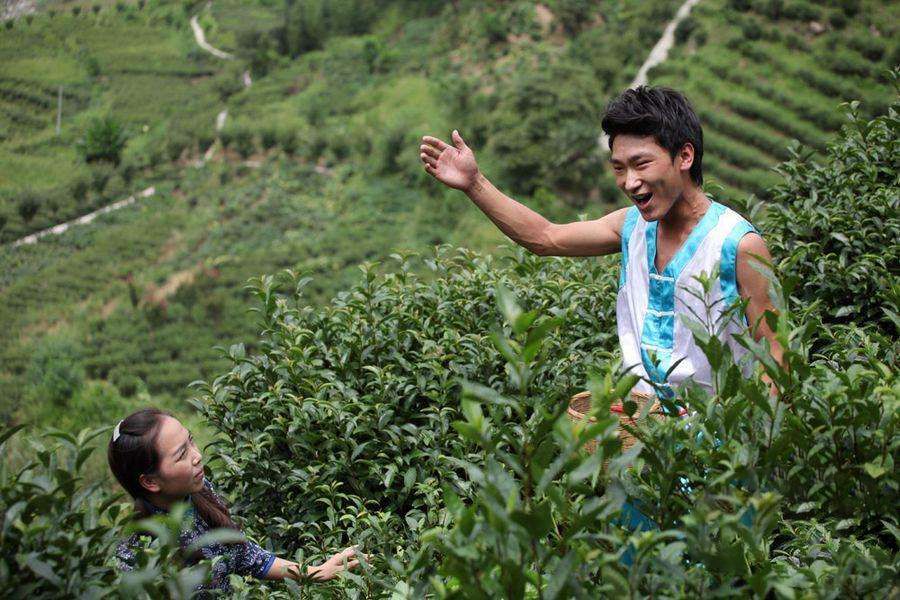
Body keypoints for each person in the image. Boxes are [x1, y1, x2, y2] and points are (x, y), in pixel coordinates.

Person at [419, 85, 784, 402]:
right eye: (619, 168)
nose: (629, 181)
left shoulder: (737, 246)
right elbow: (546, 238)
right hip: (647, 443)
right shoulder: (631, 228)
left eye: (641, 164)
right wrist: (474, 183)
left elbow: (775, 355)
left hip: (719, 451)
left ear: (684, 157)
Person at [107, 408, 361, 593]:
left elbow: (244, 555)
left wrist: (315, 572)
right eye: (181, 454)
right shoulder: (138, 555)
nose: (196, 456)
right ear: (150, 482)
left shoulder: (200, 490)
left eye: (190, 441)